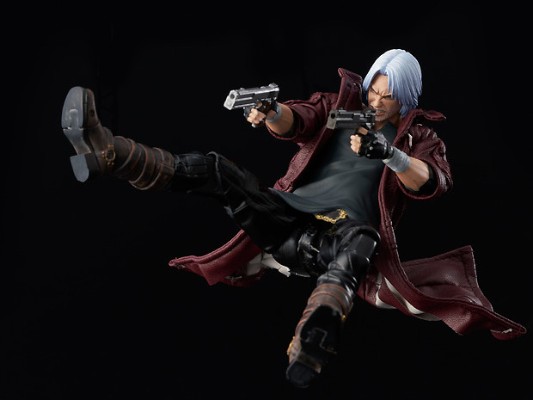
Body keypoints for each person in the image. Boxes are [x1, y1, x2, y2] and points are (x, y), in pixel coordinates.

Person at [61, 49, 526, 388]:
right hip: (285, 216)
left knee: (362, 242)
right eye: (374, 89)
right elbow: (298, 120)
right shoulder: (340, 106)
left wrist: (390, 155)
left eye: (388, 96)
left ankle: (312, 339)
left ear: (406, 98)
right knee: (218, 170)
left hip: (336, 240)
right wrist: (270, 112)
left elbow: (434, 182)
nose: (376, 100)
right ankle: (109, 153)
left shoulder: (420, 139)